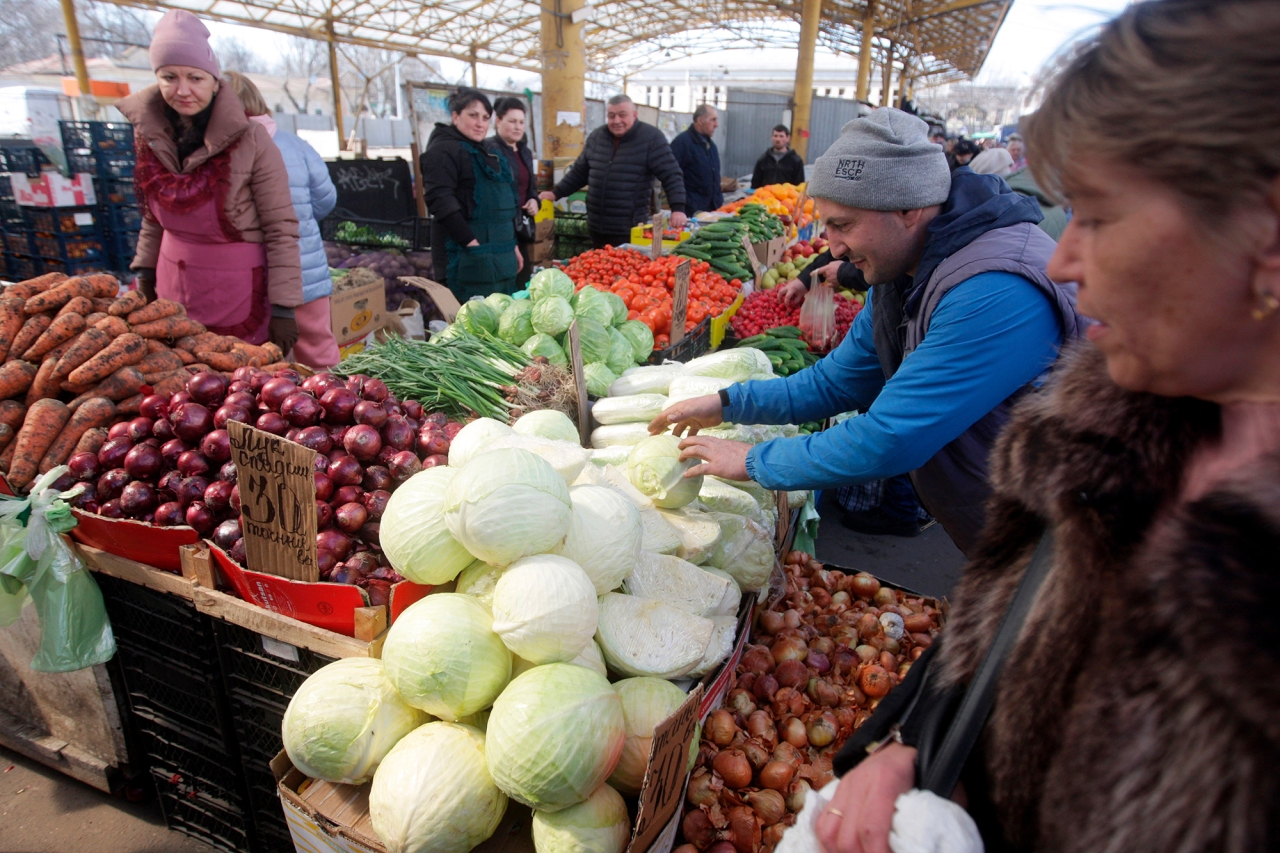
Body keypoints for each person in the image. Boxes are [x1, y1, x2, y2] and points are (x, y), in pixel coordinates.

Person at [815, 2, 1280, 851]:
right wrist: (913, 745)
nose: (1063, 260)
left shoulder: (999, 294)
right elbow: (1008, 629)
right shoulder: (1113, 419)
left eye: (1096, 217)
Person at [650, 108, 1084, 558]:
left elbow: (892, 436)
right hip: (1005, 532)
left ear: (908, 208)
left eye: (844, 224)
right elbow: (838, 380)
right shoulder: (907, 269)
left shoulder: (995, 287)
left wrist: (752, 460)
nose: (832, 248)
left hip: (1069, 544)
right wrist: (728, 404)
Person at [119, 10, 301, 351]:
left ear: (215, 82)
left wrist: (284, 307)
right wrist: (144, 274)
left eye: (196, 78)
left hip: (236, 293)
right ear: (157, 80)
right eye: (170, 77)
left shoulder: (252, 140)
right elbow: (152, 218)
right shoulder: (150, 137)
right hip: (171, 288)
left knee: (237, 391)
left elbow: (281, 227)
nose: (183, 89)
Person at [224, 72, 339, 368]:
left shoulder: (222, 150)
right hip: (304, 270)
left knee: (255, 365)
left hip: (247, 276)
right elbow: (326, 199)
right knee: (318, 355)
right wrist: (299, 220)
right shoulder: (294, 144)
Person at [539, 95, 687, 249]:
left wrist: (678, 209)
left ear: (634, 115)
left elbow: (671, 175)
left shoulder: (651, 138)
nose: (616, 121)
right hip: (597, 226)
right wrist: (555, 194)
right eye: (611, 116)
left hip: (629, 228)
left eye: (622, 115)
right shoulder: (597, 137)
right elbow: (579, 173)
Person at [421, 88, 521, 300]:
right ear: (455, 116)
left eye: (485, 117)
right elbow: (441, 203)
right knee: (471, 323)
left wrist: (513, 246)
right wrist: (472, 246)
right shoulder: (442, 151)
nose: (480, 123)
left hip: (499, 258)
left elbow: (502, 209)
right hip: (466, 259)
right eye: (473, 115)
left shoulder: (486, 152)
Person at [485, 96, 539, 288]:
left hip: (520, 228)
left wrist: (534, 201)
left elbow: (530, 188)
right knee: (505, 281)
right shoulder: (489, 150)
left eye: (521, 122)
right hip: (500, 230)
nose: (518, 127)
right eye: (512, 121)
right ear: (498, 121)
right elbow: (492, 196)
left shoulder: (524, 151)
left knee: (522, 280)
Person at [670, 104, 723, 215]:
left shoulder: (711, 146)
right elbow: (671, 178)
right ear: (700, 120)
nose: (716, 125)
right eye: (713, 120)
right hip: (691, 213)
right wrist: (684, 205)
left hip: (712, 211)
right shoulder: (681, 144)